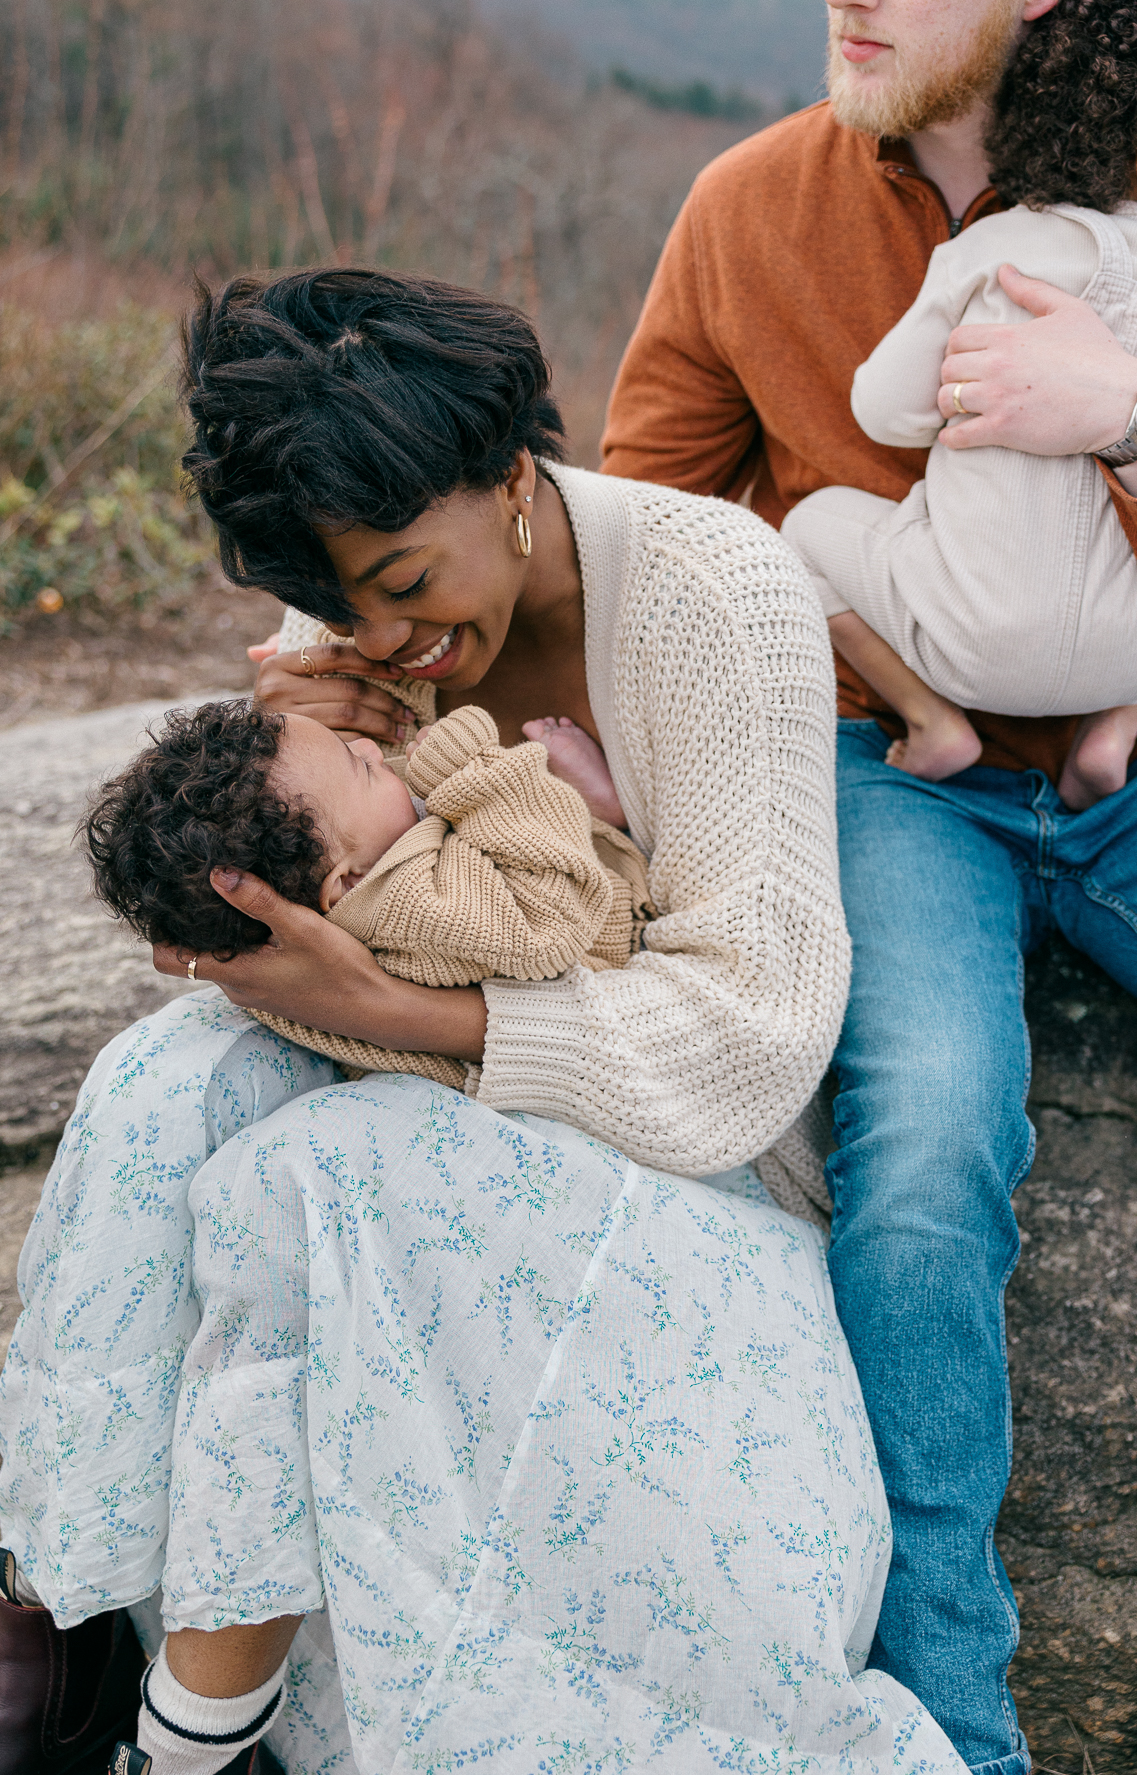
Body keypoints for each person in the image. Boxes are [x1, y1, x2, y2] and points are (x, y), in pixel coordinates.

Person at [0, 269, 964, 1775]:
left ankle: (219, 1714)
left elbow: (753, 1034)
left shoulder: (719, 593)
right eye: (337, 598)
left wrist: (386, 1004)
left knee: (325, 1163)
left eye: (402, 583)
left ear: (513, 478)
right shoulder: (354, 626)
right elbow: (310, 892)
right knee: (156, 1084)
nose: (386, 633)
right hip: (436, 1094)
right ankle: (65, 1620)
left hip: (683, 1167)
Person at [600, 0, 1137, 1772]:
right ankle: (950, 1727)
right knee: (927, 1145)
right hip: (894, 778)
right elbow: (643, 526)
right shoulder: (750, 211)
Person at [782, 106, 1137, 808]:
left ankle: (931, 721)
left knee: (807, 527)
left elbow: (883, 411)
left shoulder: (989, 250)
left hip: (972, 646)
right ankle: (1112, 734)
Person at [83, 695, 652, 1088]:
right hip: (615, 954)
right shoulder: (409, 902)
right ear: (348, 882)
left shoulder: (292, 949)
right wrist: (476, 768)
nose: (374, 749)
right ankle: (604, 821)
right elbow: (549, 925)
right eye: (361, 769)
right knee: (539, 838)